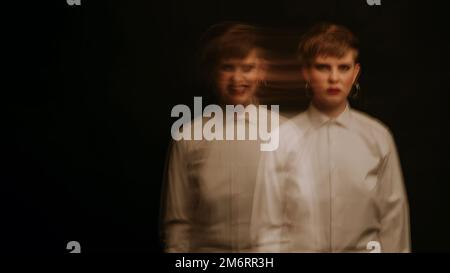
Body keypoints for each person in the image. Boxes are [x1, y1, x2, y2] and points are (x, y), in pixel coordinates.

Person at [251, 22, 410, 252]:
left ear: (355, 73)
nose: (334, 77)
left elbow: (394, 223)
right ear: (306, 72)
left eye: (343, 67)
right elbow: (267, 226)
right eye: (323, 67)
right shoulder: (281, 140)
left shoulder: (378, 137)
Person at [160, 22, 280, 252]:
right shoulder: (189, 136)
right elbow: (177, 224)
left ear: (261, 70)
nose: (237, 79)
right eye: (227, 67)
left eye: (247, 67)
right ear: (213, 72)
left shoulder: (284, 134)